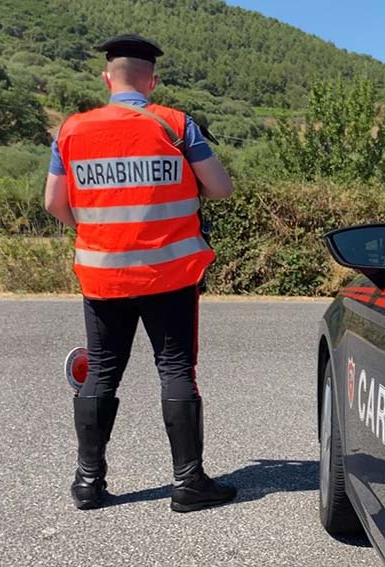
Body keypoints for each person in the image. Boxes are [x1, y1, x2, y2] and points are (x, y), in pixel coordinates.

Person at [44, 34, 236, 512]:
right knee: (174, 369)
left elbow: (53, 203)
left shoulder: (71, 130)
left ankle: (89, 483)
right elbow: (221, 188)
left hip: (103, 274)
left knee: (103, 372)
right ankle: (188, 484)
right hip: (169, 274)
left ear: (107, 78)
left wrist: (100, 232)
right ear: (151, 80)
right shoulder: (174, 124)